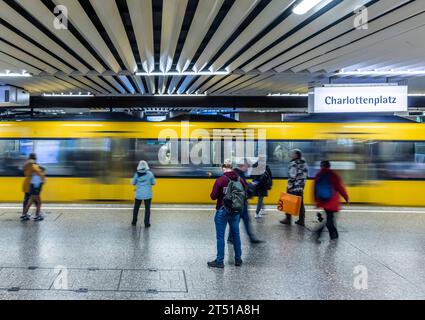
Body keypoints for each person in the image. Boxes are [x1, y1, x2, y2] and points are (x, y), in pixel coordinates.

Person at [208, 160, 243, 268]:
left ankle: (219, 261)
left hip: (222, 211)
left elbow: (213, 196)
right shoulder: (239, 180)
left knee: (220, 237)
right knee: (236, 235)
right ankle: (238, 260)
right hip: (235, 211)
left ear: (223, 168)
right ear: (232, 168)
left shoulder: (220, 180)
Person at [229, 159, 264, 244]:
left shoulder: (240, 174)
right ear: (242, 165)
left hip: (242, 202)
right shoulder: (236, 174)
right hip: (238, 203)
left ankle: (250, 238)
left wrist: (248, 185)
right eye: (247, 166)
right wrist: (250, 186)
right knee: (239, 220)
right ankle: (233, 238)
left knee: (244, 220)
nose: (248, 168)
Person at [314, 161, 349, 242]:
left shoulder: (318, 175)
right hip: (332, 201)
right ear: (329, 166)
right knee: (330, 219)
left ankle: (334, 236)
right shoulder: (333, 175)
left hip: (323, 200)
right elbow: (340, 187)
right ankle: (318, 233)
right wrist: (346, 197)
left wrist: (316, 200)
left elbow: (315, 189)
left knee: (330, 218)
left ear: (321, 166)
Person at [280, 149, 309, 226]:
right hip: (300, 186)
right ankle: (301, 220)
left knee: (289, 202)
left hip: (293, 186)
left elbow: (292, 175)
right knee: (300, 203)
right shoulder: (304, 163)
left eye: (292, 153)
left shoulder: (294, 163)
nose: (291, 154)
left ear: (296, 155)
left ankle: (288, 219)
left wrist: (290, 186)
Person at [21, 153, 45, 221]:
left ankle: (24, 214)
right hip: (32, 185)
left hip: (26, 184)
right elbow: (39, 172)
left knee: (27, 200)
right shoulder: (33, 165)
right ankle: (37, 215)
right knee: (36, 201)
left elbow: (24, 169)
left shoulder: (26, 165)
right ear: (35, 158)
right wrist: (43, 179)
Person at [131, 161, 156, 227]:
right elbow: (154, 183)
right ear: (146, 166)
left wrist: (136, 181)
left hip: (138, 194)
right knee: (147, 209)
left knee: (136, 208)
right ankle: (147, 223)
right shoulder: (150, 174)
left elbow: (133, 183)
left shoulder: (136, 174)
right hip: (147, 195)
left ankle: (134, 221)